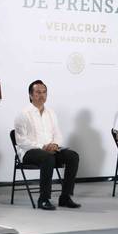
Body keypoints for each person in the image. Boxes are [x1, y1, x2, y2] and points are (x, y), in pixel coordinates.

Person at [14, 80, 81, 210]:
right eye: (38, 92)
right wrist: (43, 146)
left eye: (44, 92)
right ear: (30, 95)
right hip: (30, 152)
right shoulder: (23, 114)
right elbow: (21, 141)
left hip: (50, 150)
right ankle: (44, 199)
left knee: (72, 156)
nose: (42, 95)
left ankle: (65, 197)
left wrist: (55, 144)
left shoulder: (51, 113)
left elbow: (58, 134)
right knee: (47, 158)